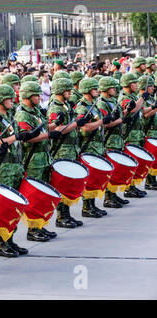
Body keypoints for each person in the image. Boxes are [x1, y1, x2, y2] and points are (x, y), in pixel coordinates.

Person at [0, 84, 35, 257]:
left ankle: (10, 240)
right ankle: (2, 243)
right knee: (5, 208)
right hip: (3, 168)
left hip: (15, 167)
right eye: (9, 98)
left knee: (13, 207)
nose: (12, 101)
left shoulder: (8, 117)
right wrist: (15, 137)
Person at [14, 81, 62, 241]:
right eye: (36, 94)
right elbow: (26, 138)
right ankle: (33, 230)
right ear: (28, 96)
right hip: (33, 161)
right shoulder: (23, 114)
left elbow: (41, 129)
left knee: (42, 197)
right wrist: (48, 135)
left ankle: (40, 226)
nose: (40, 97)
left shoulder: (34, 112)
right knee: (35, 197)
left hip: (43, 158)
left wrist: (55, 125)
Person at [47, 78, 88, 228]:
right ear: (60, 91)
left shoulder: (65, 106)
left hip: (71, 149)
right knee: (62, 185)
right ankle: (61, 216)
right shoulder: (55, 108)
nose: (70, 93)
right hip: (61, 150)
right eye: (67, 90)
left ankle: (67, 214)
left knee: (69, 184)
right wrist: (77, 123)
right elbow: (57, 130)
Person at [75, 78, 113, 217]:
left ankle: (92, 205)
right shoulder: (82, 107)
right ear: (87, 90)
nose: (98, 91)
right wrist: (103, 121)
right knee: (89, 178)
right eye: (95, 89)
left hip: (97, 145)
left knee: (95, 178)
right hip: (89, 146)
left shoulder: (94, 104)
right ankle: (86, 207)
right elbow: (84, 128)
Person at [97, 76, 131, 208]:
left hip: (117, 140)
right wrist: (120, 120)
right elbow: (106, 123)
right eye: (112, 87)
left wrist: (126, 112)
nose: (115, 90)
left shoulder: (112, 100)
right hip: (109, 140)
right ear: (105, 89)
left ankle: (113, 194)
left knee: (116, 171)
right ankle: (108, 197)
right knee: (110, 171)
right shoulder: (101, 103)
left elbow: (117, 116)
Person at [118, 73, 152, 198]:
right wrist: (142, 98)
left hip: (137, 134)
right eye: (134, 83)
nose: (136, 85)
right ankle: (128, 188)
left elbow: (142, 111)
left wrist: (153, 106)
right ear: (127, 84)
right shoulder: (124, 98)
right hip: (130, 135)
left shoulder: (133, 96)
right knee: (131, 163)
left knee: (136, 162)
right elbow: (132, 110)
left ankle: (132, 186)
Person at [144, 76, 157, 190]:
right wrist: (155, 108)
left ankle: (153, 178)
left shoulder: (151, 99)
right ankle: (149, 180)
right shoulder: (143, 100)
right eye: (150, 86)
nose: (152, 88)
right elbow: (145, 115)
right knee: (150, 157)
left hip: (155, 130)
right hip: (150, 130)